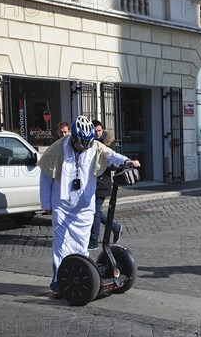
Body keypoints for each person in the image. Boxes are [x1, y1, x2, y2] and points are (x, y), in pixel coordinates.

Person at [38, 115, 140, 298]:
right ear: (74, 138)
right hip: (62, 206)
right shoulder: (57, 149)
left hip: (85, 206)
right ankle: (58, 283)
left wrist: (127, 161)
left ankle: (81, 277)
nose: (83, 148)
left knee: (81, 245)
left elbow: (111, 156)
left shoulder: (94, 147)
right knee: (61, 246)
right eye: (80, 144)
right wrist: (46, 204)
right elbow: (45, 178)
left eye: (87, 144)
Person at [88, 120, 122, 250]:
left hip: (103, 182)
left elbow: (114, 161)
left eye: (99, 131)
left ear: (103, 130)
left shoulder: (108, 144)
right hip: (91, 182)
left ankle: (94, 241)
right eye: (95, 131)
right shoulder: (89, 143)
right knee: (94, 212)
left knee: (95, 212)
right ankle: (114, 227)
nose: (97, 133)